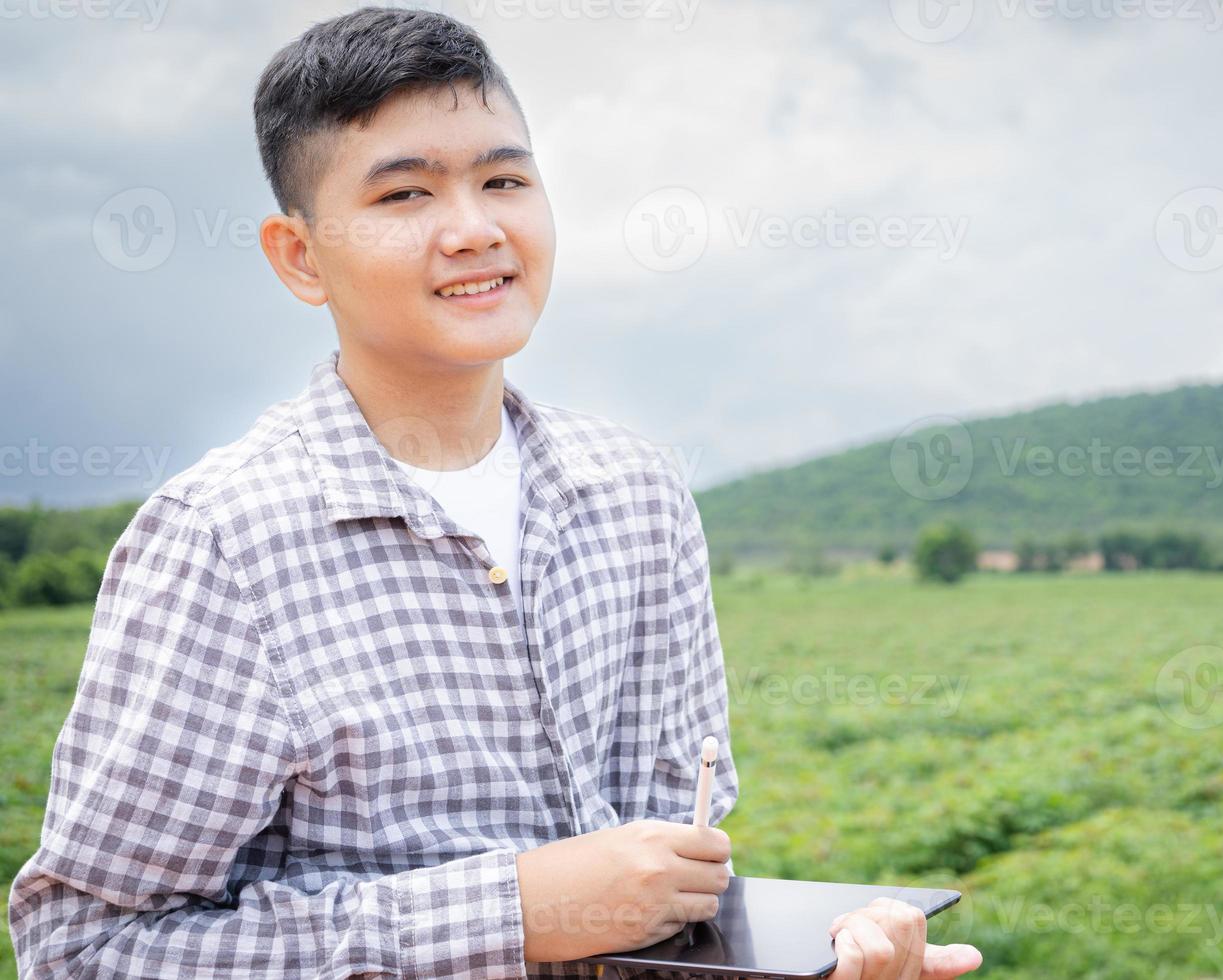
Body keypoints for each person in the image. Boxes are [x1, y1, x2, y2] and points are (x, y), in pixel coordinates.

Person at [7, 8, 983, 979]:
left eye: (504, 180)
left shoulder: (638, 495)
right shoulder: (223, 542)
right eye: (405, 196)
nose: (475, 229)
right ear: (300, 255)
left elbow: (663, 896)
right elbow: (85, 947)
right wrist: (511, 909)